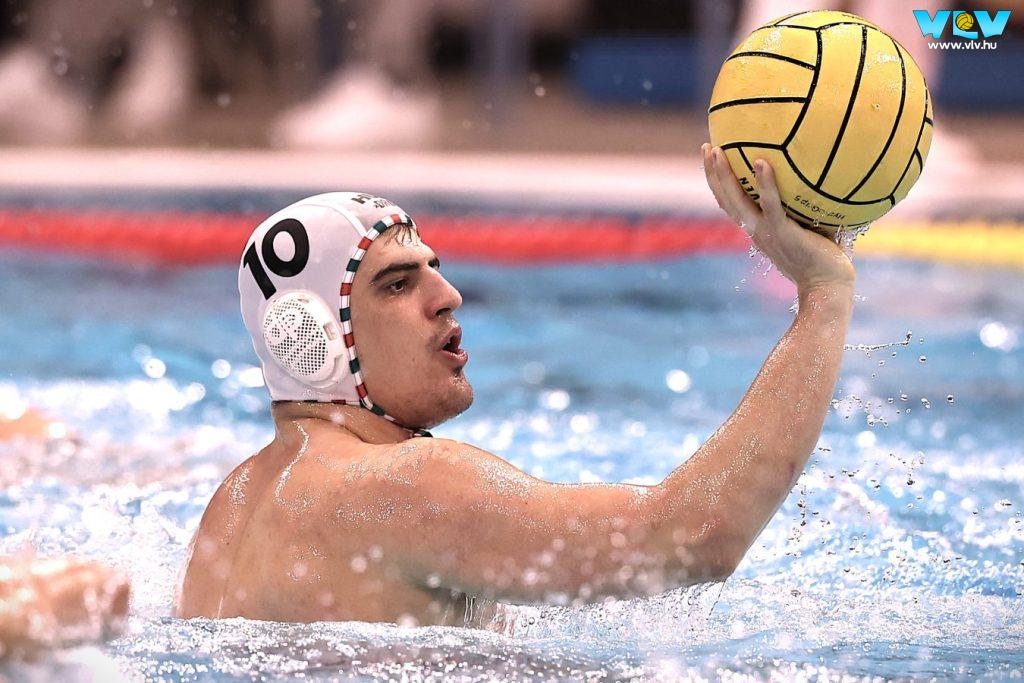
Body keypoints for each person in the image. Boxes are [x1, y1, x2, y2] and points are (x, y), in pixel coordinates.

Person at [175, 146, 855, 626]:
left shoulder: (229, 508)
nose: (448, 295)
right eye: (399, 284)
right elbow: (694, 535)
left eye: (434, 269)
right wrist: (824, 295)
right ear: (314, 336)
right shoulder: (401, 486)